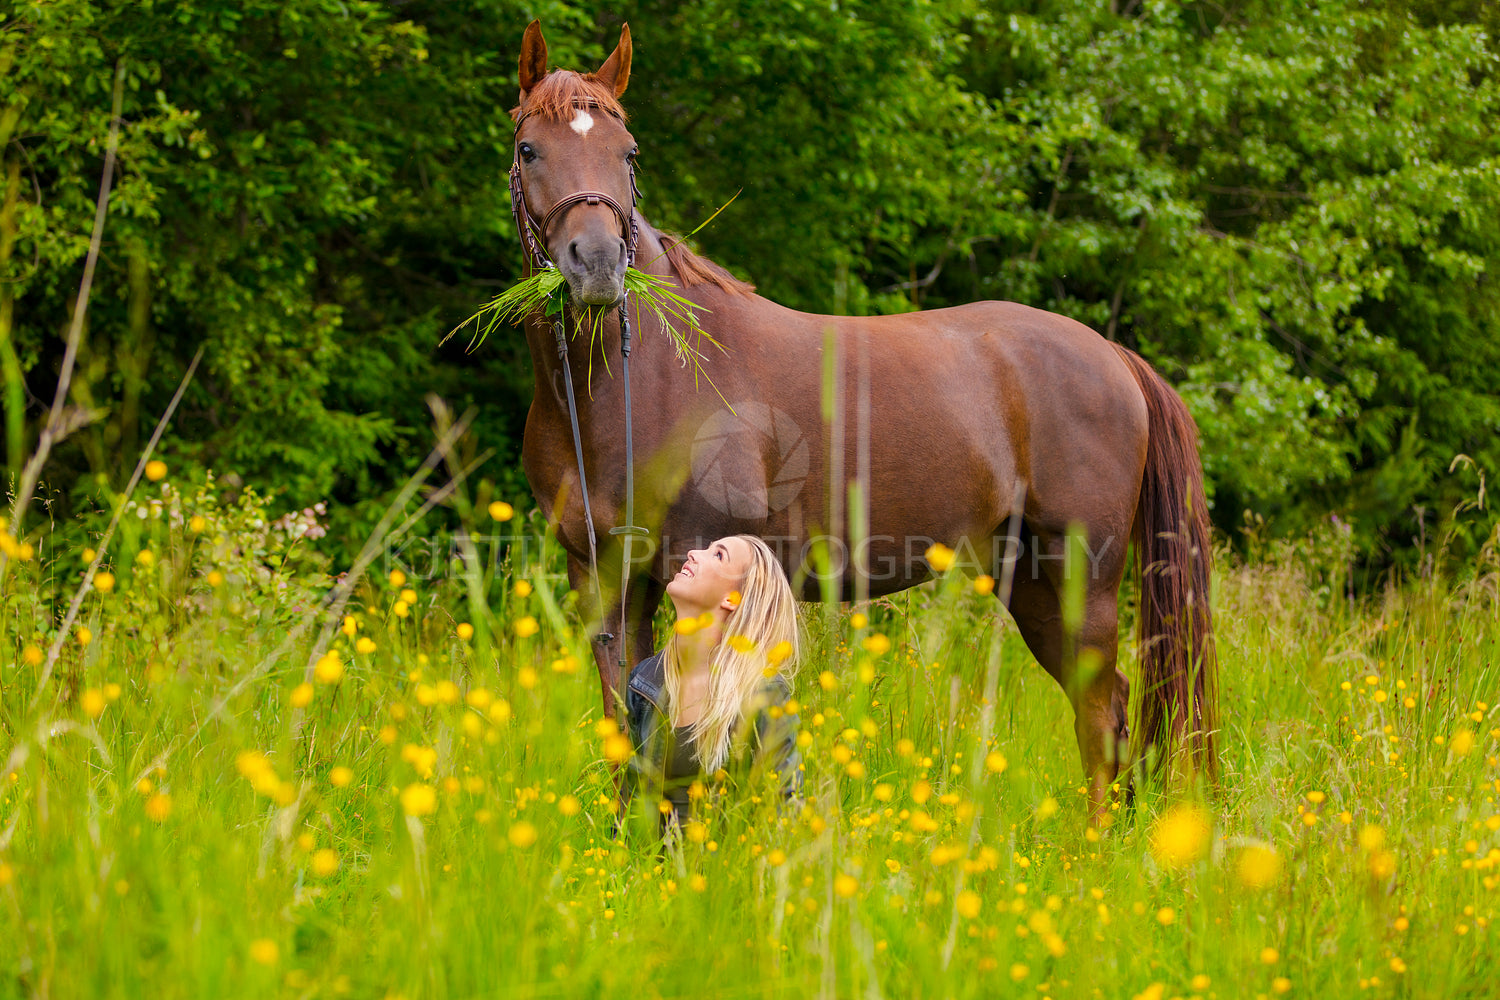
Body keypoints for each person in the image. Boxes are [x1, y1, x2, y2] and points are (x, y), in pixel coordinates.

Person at [619, 534, 802, 834]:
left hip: (729, 874)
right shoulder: (644, 682)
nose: (693, 552)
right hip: (656, 877)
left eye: (718, 555)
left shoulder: (763, 693)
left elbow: (785, 810)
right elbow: (630, 815)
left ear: (733, 599)